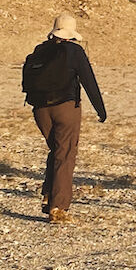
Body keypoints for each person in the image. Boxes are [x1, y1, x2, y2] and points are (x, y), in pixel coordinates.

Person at [22, 12, 107, 224]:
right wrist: (100, 109)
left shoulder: (40, 50)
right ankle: (59, 208)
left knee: (57, 151)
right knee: (66, 154)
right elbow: (88, 80)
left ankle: (48, 196)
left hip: (40, 110)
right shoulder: (74, 51)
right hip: (66, 107)